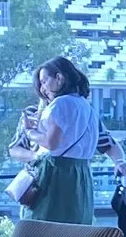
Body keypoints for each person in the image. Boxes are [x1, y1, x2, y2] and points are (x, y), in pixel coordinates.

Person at [10, 56, 101, 224]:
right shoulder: (87, 107)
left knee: (44, 227)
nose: (43, 88)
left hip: (55, 174)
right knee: (74, 226)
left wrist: (30, 132)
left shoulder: (60, 104)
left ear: (59, 78)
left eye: (44, 81)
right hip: (80, 173)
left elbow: (51, 143)